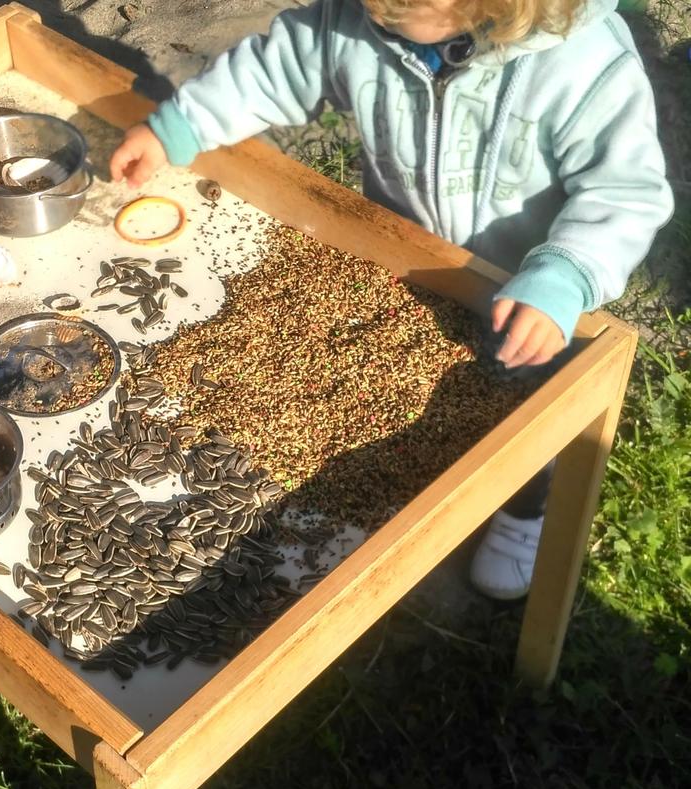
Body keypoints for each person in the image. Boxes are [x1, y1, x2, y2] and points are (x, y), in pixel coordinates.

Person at [109, 0, 673, 599]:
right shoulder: (364, 18)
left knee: (521, 408)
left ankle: (523, 510)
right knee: (406, 410)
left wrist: (564, 276)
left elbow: (625, 192)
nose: (374, 19)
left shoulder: (582, 63)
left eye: (397, 10)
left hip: (528, 293)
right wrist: (181, 127)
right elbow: (280, 67)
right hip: (408, 266)